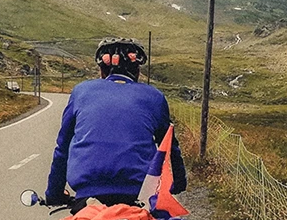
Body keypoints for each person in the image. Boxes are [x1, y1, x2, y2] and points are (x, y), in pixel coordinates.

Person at [44, 38, 186, 210]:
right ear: (137, 71)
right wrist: (178, 183)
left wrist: (54, 193)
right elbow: (170, 147)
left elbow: (63, 147)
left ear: (102, 71)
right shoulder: (154, 96)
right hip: (139, 196)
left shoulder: (81, 92)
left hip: (88, 198)